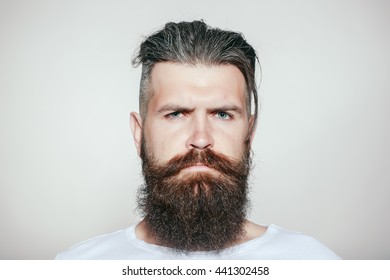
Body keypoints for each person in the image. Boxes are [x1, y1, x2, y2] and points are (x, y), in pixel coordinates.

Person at [56, 20, 340, 259]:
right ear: (139, 133)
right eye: (177, 113)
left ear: (249, 133)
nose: (201, 139)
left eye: (222, 114)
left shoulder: (314, 262)